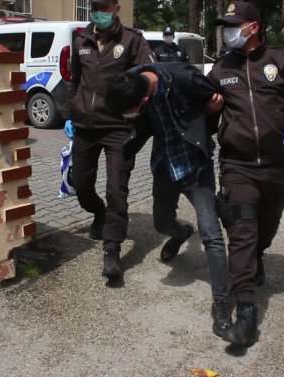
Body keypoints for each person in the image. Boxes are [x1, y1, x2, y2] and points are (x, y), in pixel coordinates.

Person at [207, 1, 284, 347]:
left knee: (265, 228)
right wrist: (208, 108)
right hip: (236, 166)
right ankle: (246, 312)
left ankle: (259, 255)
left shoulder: (282, 61)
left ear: (253, 27)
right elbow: (202, 116)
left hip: (276, 165)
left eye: (234, 24)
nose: (228, 30)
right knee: (242, 231)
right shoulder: (220, 68)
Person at [104, 61, 232, 337]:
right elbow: (135, 129)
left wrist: (207, 115)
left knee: (211, 233)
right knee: (161, 224)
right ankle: (182, 231)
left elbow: (218, 98)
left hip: (195, 163)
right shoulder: (131, 81)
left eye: (132, 113)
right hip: (165, 164)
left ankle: (221, 303)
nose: (130, 117)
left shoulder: (184, 79)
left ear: (146, 99)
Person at [65, 0, 154, 280]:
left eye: (104, 6)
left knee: (117, 189)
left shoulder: (132, 40)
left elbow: (150, 77)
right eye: (94, 6)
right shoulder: (81, 39)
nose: (98, 11)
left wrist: (137, 109)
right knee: (80, 183)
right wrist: (70, 112)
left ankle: (112, 249)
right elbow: (75, 80)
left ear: (116, 7)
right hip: (84, 127)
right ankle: (98, 212)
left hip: (118, 128)